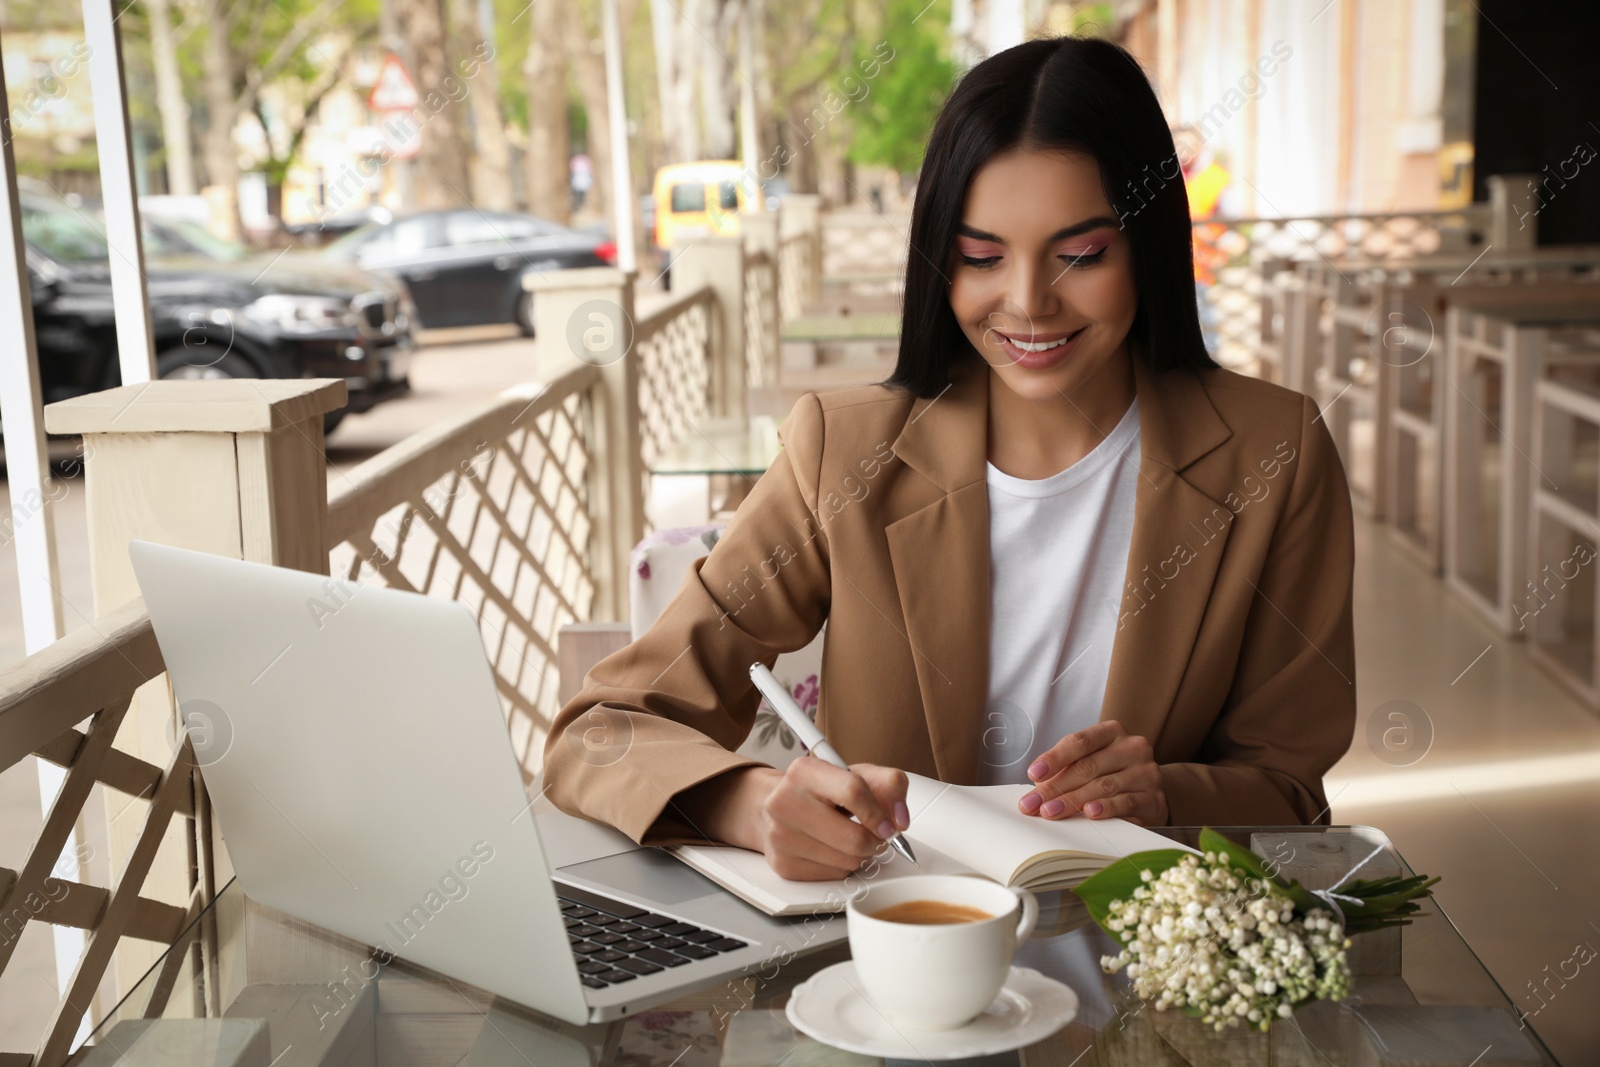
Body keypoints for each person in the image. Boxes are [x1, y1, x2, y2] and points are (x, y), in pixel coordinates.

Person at [542, 36, 1355, 883]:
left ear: (1144, 247)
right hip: (894, 969)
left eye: (1080, 254)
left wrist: (1166, 796)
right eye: (981, 256)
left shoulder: (1276, 455)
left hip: (1154, 964)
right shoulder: (845, 451)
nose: (1029, 301)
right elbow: (599, 729)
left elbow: (1292, 791)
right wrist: (748, 803)